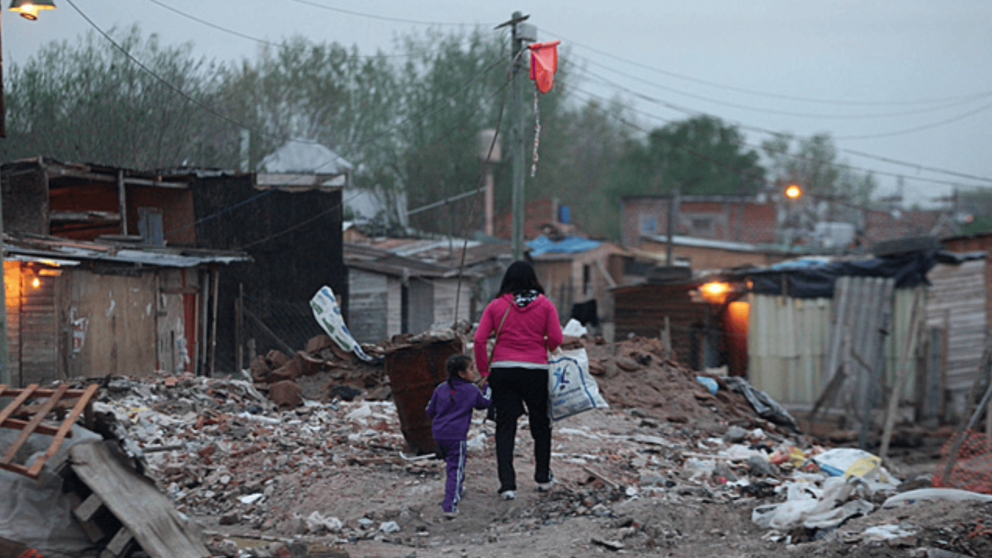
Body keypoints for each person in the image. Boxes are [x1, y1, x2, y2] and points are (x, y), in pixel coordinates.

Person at [473, 261, 563, 501]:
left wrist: (484, 371)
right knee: (540, 424)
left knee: (505, 426)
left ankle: (508, 485)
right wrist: (541, 347)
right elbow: (556, 337)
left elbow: (479, 340)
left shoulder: (496, 306)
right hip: (535, 370)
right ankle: (542, 478)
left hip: (502, 370)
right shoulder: (545, 305)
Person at [426, 354, 492, 518]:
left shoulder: (441, 388)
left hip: (439, 434)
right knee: (456, 468)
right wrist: (487, 388)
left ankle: (457, 490)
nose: (474, 371)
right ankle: (450, 504)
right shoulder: (471, 390)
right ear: (462, 374)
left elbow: (430, 411)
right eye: (471, 369)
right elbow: (484, 403)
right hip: (456, 436)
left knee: (451, 465)